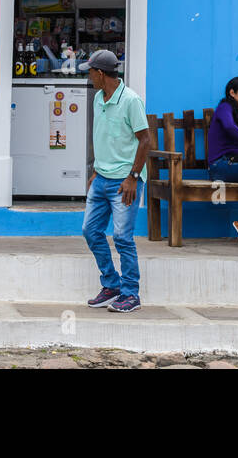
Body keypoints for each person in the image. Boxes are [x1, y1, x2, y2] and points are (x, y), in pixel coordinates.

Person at [80, 49, 151, 313]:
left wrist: (133, 177)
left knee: (122, 237)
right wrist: (97, 170)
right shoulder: (99, 98)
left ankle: (131, 294)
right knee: (91, 231)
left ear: (100, 73)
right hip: (102, 178)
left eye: (90, 72)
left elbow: (145, 139)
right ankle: (111, 284)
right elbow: (104, 136)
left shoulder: (131, 100)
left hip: (125, 180)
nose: (88, 78)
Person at [208, 76, 238, 248]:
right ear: (232, 92)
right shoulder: (224, 108)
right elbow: (229, 127)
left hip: (234, 164)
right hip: (220, 166)